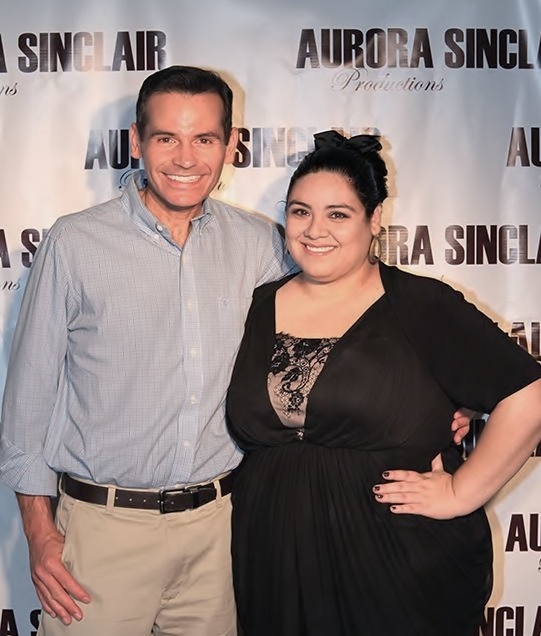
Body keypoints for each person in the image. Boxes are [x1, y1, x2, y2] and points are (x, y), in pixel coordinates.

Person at [0, 68, 469, 635]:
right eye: (166, 138)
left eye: (204, 139)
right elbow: (27, 401)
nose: (185, 158)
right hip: (102, 535)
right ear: (135, 142)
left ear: (229, 145)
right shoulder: (74, 243)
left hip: (220, 532)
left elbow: (347, 315)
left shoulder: (261, 243)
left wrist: (438, 397)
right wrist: (39, 531)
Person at [225, 130, 541, 636]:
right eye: (300, 211)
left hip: (396, 563)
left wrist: (461, 492)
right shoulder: (258, 304)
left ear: (375, 220)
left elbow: (528, 396)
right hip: (273, 560)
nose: (314, 229)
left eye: (338, 214)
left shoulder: (421, 304)